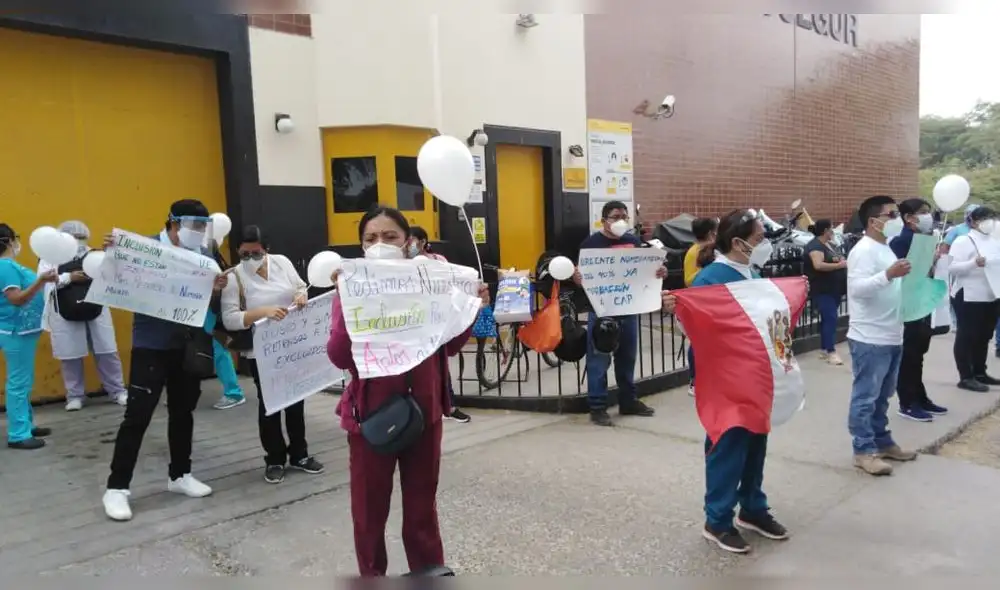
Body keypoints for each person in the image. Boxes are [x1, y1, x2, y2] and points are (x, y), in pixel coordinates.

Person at [326, 206, 489, 576]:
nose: (379, 244)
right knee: (369, 513)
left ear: (407, 242)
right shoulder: (351, 289)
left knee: (421, 508)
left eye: (389, 237)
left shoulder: (429, 283)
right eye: (370, 239)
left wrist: (470, 308)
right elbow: (338, 357)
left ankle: (428, 573)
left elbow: (447, 345)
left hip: (425, 413)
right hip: (371, 418)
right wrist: (347, 306)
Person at [102, 199, 229, 522]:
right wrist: (113, 254)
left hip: (185, 345)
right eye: (193, 225)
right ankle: (117, 487)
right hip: (151, 345)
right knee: (137, 415)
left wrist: (217, 289)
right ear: (173, 223)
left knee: (183, 412)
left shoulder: (204, 256)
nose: (198, 232)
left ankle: (180, 474)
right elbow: (119, 278)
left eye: (203, 227)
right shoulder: (145, 249)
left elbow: (210, 302)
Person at [685, 210, 788, 554]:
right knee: (728, 443)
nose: (764, 245)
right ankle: (717, 519)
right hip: (726, 377)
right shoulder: (711, 278)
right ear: (738, 242)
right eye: (759, 239)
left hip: (756, 373)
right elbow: (698, 329)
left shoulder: (753, 272)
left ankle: (753, 507)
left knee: (756, 439)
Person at [220, 225, 325, 484]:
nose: (250, 259)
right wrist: (263, 311)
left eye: (256, 253)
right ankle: (275, 458)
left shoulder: (282, 263)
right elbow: (230, 319)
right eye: (244, 254)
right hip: (262, 350)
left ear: (266, 250)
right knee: (269, 405)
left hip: (292, 343)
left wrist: (301, 295)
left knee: (296, 400)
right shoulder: (235, 277)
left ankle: (300, 454)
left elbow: (300, 286)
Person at [573, 200, 665, 426]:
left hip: (629, 309)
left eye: (625, 216)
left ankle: (628, 401)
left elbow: (642, 273)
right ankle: (597, 406)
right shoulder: (591, 243)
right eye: (616, 217)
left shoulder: (633, 242)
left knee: (627, 357)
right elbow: (582, 276)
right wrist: (577, 278)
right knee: (598, 360)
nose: (621, 221)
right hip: (602, 310)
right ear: (604, 220)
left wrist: (658, 272)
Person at [846, 195, 917, 477]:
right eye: (891, 215)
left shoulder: (885, 248)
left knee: (883, 396)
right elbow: (858, 290)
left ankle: (883, 442)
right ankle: (863, 450)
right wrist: (888, 274)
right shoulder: (863, 251)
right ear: (874, 221)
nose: (896, 219)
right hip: (869, 336)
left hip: (892, 333)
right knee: (865, 397)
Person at [40, 220, 128, 411]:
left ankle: (117, 391)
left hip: (96, 307)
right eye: (73, 237)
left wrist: (111, 254)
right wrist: (69, 278)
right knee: (70, 354)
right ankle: (75, 395)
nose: (77, 241)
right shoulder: (49, 258)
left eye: (81, 237)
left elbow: (113, 275)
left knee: (106, 351)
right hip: (64, 310)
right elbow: (44, 282)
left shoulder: (95, 254)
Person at [888, 199, 948, 420]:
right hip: (908, 305)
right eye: (923, 213)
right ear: (909, 217)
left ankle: (920, 397)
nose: (927, 216)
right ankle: (908, 402)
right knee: (910, 356)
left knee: (919, 354)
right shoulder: (900, 241)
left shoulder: (923, 239)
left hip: (922, 303)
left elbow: (924, 272)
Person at [0, 223, 57, 449]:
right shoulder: (5, 267)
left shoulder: (7, 266)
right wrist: (40, 281)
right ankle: (18, 433)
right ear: (8, 242)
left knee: (23, 380)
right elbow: (17, 298)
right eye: (16, 238)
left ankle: (25, 424)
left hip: (20, 331)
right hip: (17, 331)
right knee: (18, 382)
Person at [409, 226, 471, 423]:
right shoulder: (402, 265)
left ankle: (449, 405)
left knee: (441, 363)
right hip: (415, 323)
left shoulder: (439, 260)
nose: (409, 245)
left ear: (422, 241)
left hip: (438, 319)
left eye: (412, 240)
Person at [948, 206, 1000, 392]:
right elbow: (951, 267)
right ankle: (965, 376)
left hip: (991, 293)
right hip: (969, 294)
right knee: (967, 335)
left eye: (992, 217)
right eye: (985, 218)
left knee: (984, 335)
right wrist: (973, 263)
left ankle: (980, 371)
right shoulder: (964, 241)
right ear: (974, 221)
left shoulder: (994, 240)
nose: (990, 222)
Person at [206, 241, 246, 410]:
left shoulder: (212, 264)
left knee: (219, 348)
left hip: (211, 311)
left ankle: (233, 392)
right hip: (201, 309)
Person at [803, 219, 847, 365]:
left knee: (827, 320)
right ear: (825, 231)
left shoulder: (829, 245)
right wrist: (839, 265)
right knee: (831, 319)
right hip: (823, 289)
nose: (833, 232)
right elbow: (818, 265)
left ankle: (823, 349)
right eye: (831, 229)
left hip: (834, 288)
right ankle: (831, 352)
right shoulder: (815, 246)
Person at [684, 217, 718, 396]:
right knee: (697, 342)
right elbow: (689, 278)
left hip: (712, 301)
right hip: (698, 300)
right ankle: (694, 380)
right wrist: (709, 273)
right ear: (710, 232)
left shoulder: (713, 250)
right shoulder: (694, 251)